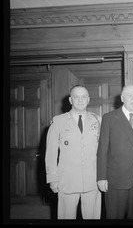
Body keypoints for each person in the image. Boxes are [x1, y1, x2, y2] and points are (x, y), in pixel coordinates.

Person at [45, 85, 102, 219]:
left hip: (92, 180)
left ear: (88, 99)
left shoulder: (98, 120)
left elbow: (103, 151)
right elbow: (51, 153)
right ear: (71, 100)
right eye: (76, 97)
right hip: (67, 181)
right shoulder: (58, 122)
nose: (80, 100)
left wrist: (103, 177)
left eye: (83, 97)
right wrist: (52, 178)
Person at [97, 85, 133, 219]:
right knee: (114, 216)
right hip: (115, 179)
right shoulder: (109, 118)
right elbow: (102, 149)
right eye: (130, 96)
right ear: (122, 98)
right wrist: (101, 177)